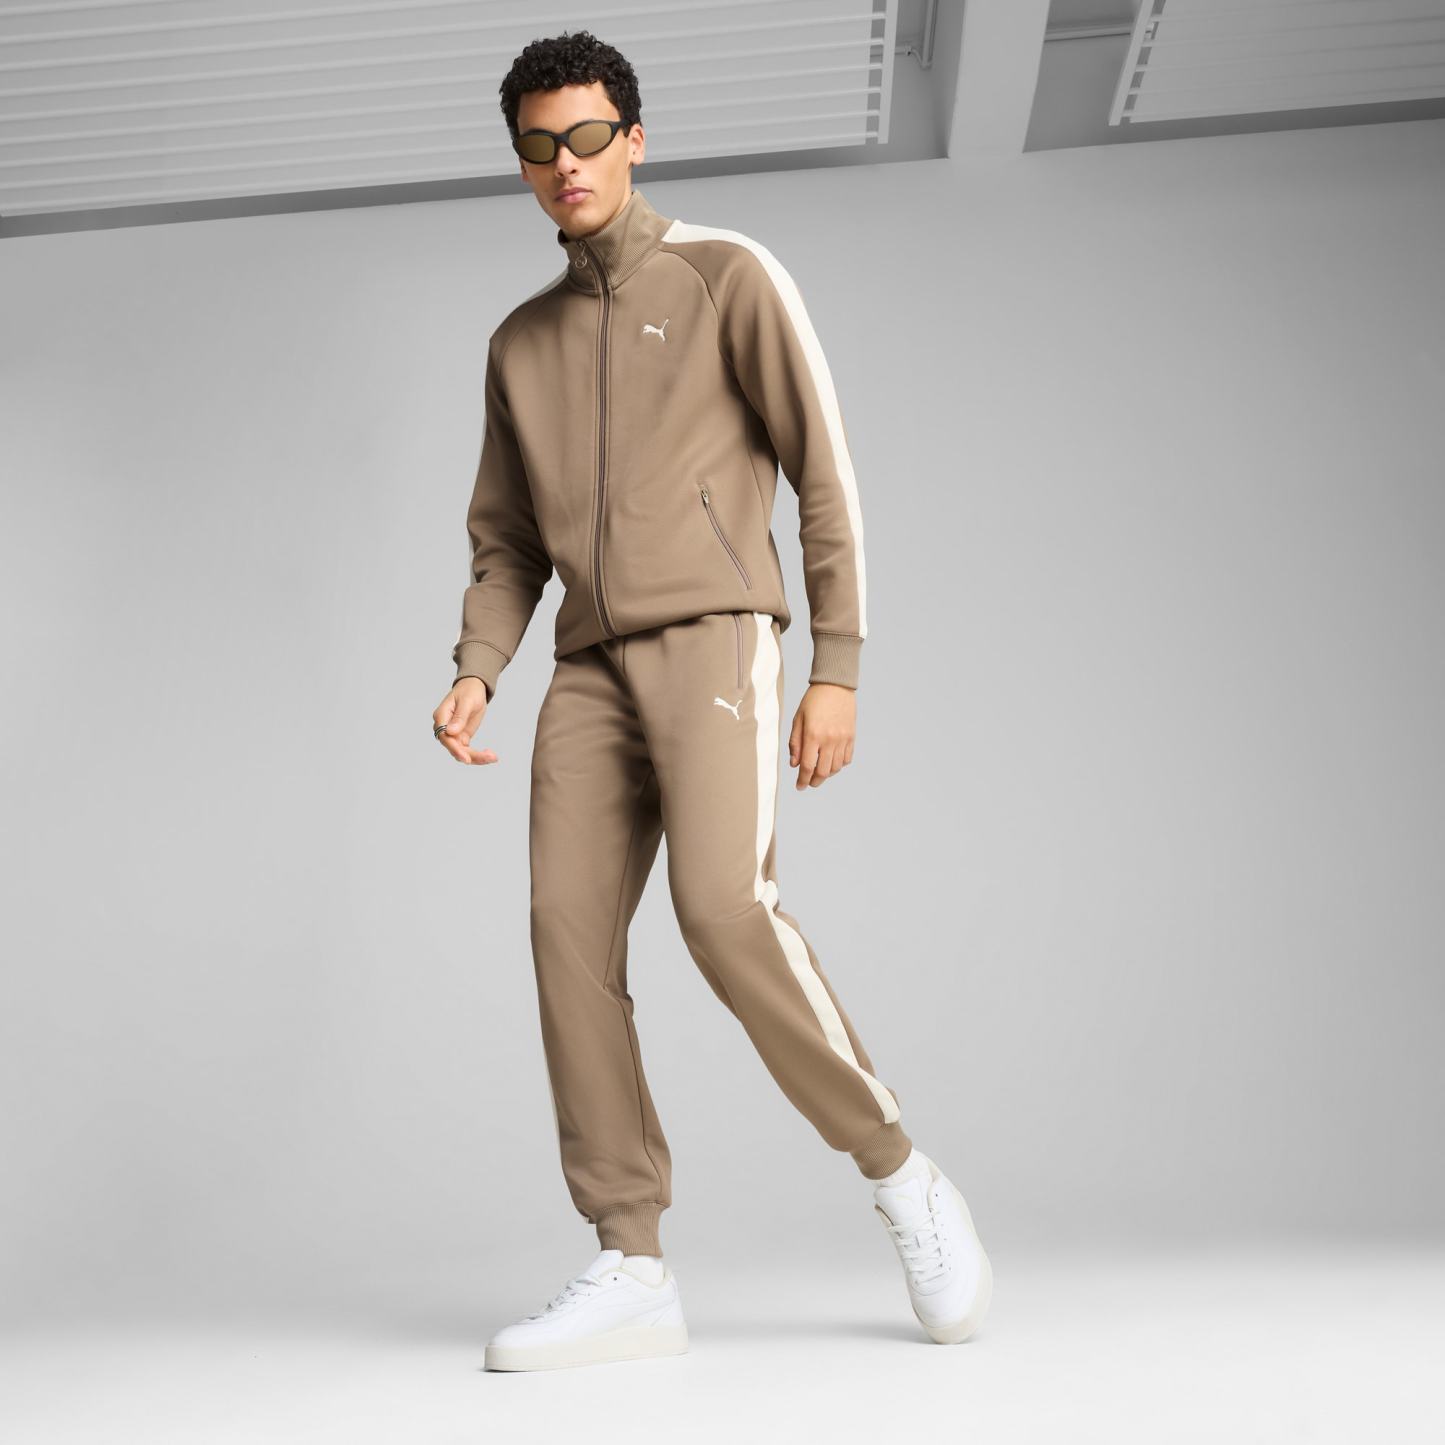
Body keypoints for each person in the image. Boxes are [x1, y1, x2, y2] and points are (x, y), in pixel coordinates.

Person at [431, 29, 991, 1372]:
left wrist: (837, 664)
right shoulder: (519, 344)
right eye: (538, 145)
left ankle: (901, 1173)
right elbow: (506, 538)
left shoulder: (727, 274)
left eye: (586, 136)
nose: (565, 164)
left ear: (633, 137)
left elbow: (822, 471)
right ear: (520, 162)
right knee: (564, 935)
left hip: (715, 638)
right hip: (585, 670)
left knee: (724, 912)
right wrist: (476, 663)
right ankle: (630, 1257)